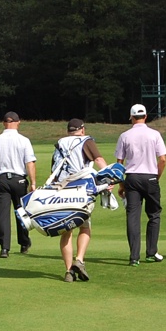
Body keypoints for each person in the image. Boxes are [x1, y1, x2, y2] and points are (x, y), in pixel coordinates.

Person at [52, 118, 108, 282]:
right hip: (81, 190)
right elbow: (98, 160)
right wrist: (109, 178)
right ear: (82, 129)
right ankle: (80, 260)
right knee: (84, 227)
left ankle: (69, 271)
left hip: (62, 190)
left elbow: (54, 169)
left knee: (66, 231)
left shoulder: (60, 143)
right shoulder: (86, 140)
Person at [115, 104, 166, 267]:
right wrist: (156, 177)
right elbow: (163, 159)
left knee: (132, 216)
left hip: (132, 178)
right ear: (145, 116)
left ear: (131, 117)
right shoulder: (155, 134)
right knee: (154, 215)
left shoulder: (125, 135)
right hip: (151, 177)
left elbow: (119, 164)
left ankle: (134, 257)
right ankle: (151, 253)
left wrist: (122, 185)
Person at [0, 111, 36, 258]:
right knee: (21, 212)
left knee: (2, 215)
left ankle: (4, 248)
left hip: (1, 178)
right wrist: (33, 183)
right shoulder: (24, 140)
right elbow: (30, 163)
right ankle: (24, 243)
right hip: (19, 180)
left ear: (3, 123)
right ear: (18, 122)